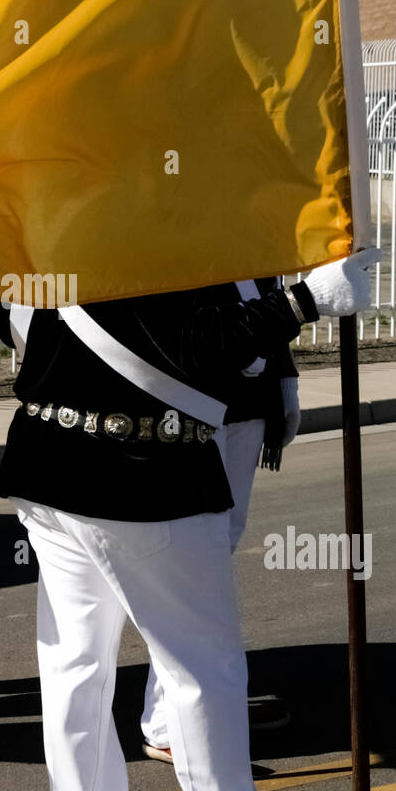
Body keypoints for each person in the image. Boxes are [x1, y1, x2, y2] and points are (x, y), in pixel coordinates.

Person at [0, 250, 377, 791]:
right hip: (144, 470)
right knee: (201, 668)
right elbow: (199, 347)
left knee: (75, 668)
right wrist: (304, 302)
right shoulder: (156, 214)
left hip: (48, 454)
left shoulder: (48, 211)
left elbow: (10, 320)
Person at [140, 276, 299, 764]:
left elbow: (267, 301)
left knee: (219, 549)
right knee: (190, 565)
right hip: (193, 404)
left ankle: (208, 703)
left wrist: (285, 381)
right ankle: (168, 720)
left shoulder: (250, 226)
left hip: (247, 408)